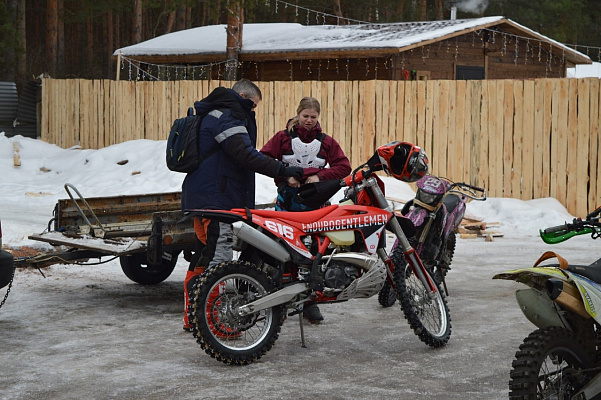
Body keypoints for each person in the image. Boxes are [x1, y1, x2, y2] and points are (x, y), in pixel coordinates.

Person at [182, 79, 304, 331]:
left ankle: (193, 317)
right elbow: (245, 154)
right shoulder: (227, 116)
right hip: (217, 201)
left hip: (207, 198)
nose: (252, 111)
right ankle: (214, 325)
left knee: (203, 259)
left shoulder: (217, 113)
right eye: (252, 105)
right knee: (219, 260)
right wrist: (282, 169)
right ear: (241, 96)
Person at [260, 96, 351, 323]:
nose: (309, 120)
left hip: (314, 204)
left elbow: (344, 167)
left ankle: (309, 303)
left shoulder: (326, 142)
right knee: (282, 251)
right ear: (298, 114)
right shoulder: (282, 138)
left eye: (313, 117)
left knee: (312, 254)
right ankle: (278, 303)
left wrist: (318, 176)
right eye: (305, 116)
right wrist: (284, 174)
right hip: (287, 203)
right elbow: (263, 159)